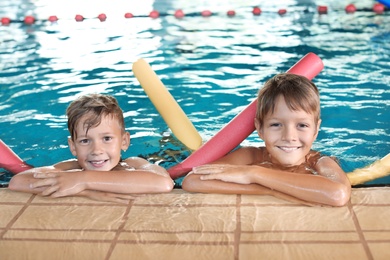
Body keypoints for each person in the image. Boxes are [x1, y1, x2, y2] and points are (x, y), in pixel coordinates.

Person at [182, 73, 351, 207]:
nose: (289, 137)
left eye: (302, 125)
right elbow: (192, 180)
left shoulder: (319, 162)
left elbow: (338, 194)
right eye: (276, 124)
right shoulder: (251, 156)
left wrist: (254, 174)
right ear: (260, 128)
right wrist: (269, 191)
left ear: (316, 129)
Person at [9, 94, 174, 202]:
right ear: (73, 147)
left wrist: (82, 180)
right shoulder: (71, 167)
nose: (96, 150)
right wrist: (84, 191)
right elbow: (18, 182)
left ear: (124, 141)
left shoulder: (133, 164)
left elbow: (164, 183)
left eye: (107, 138)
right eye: (85, 141)